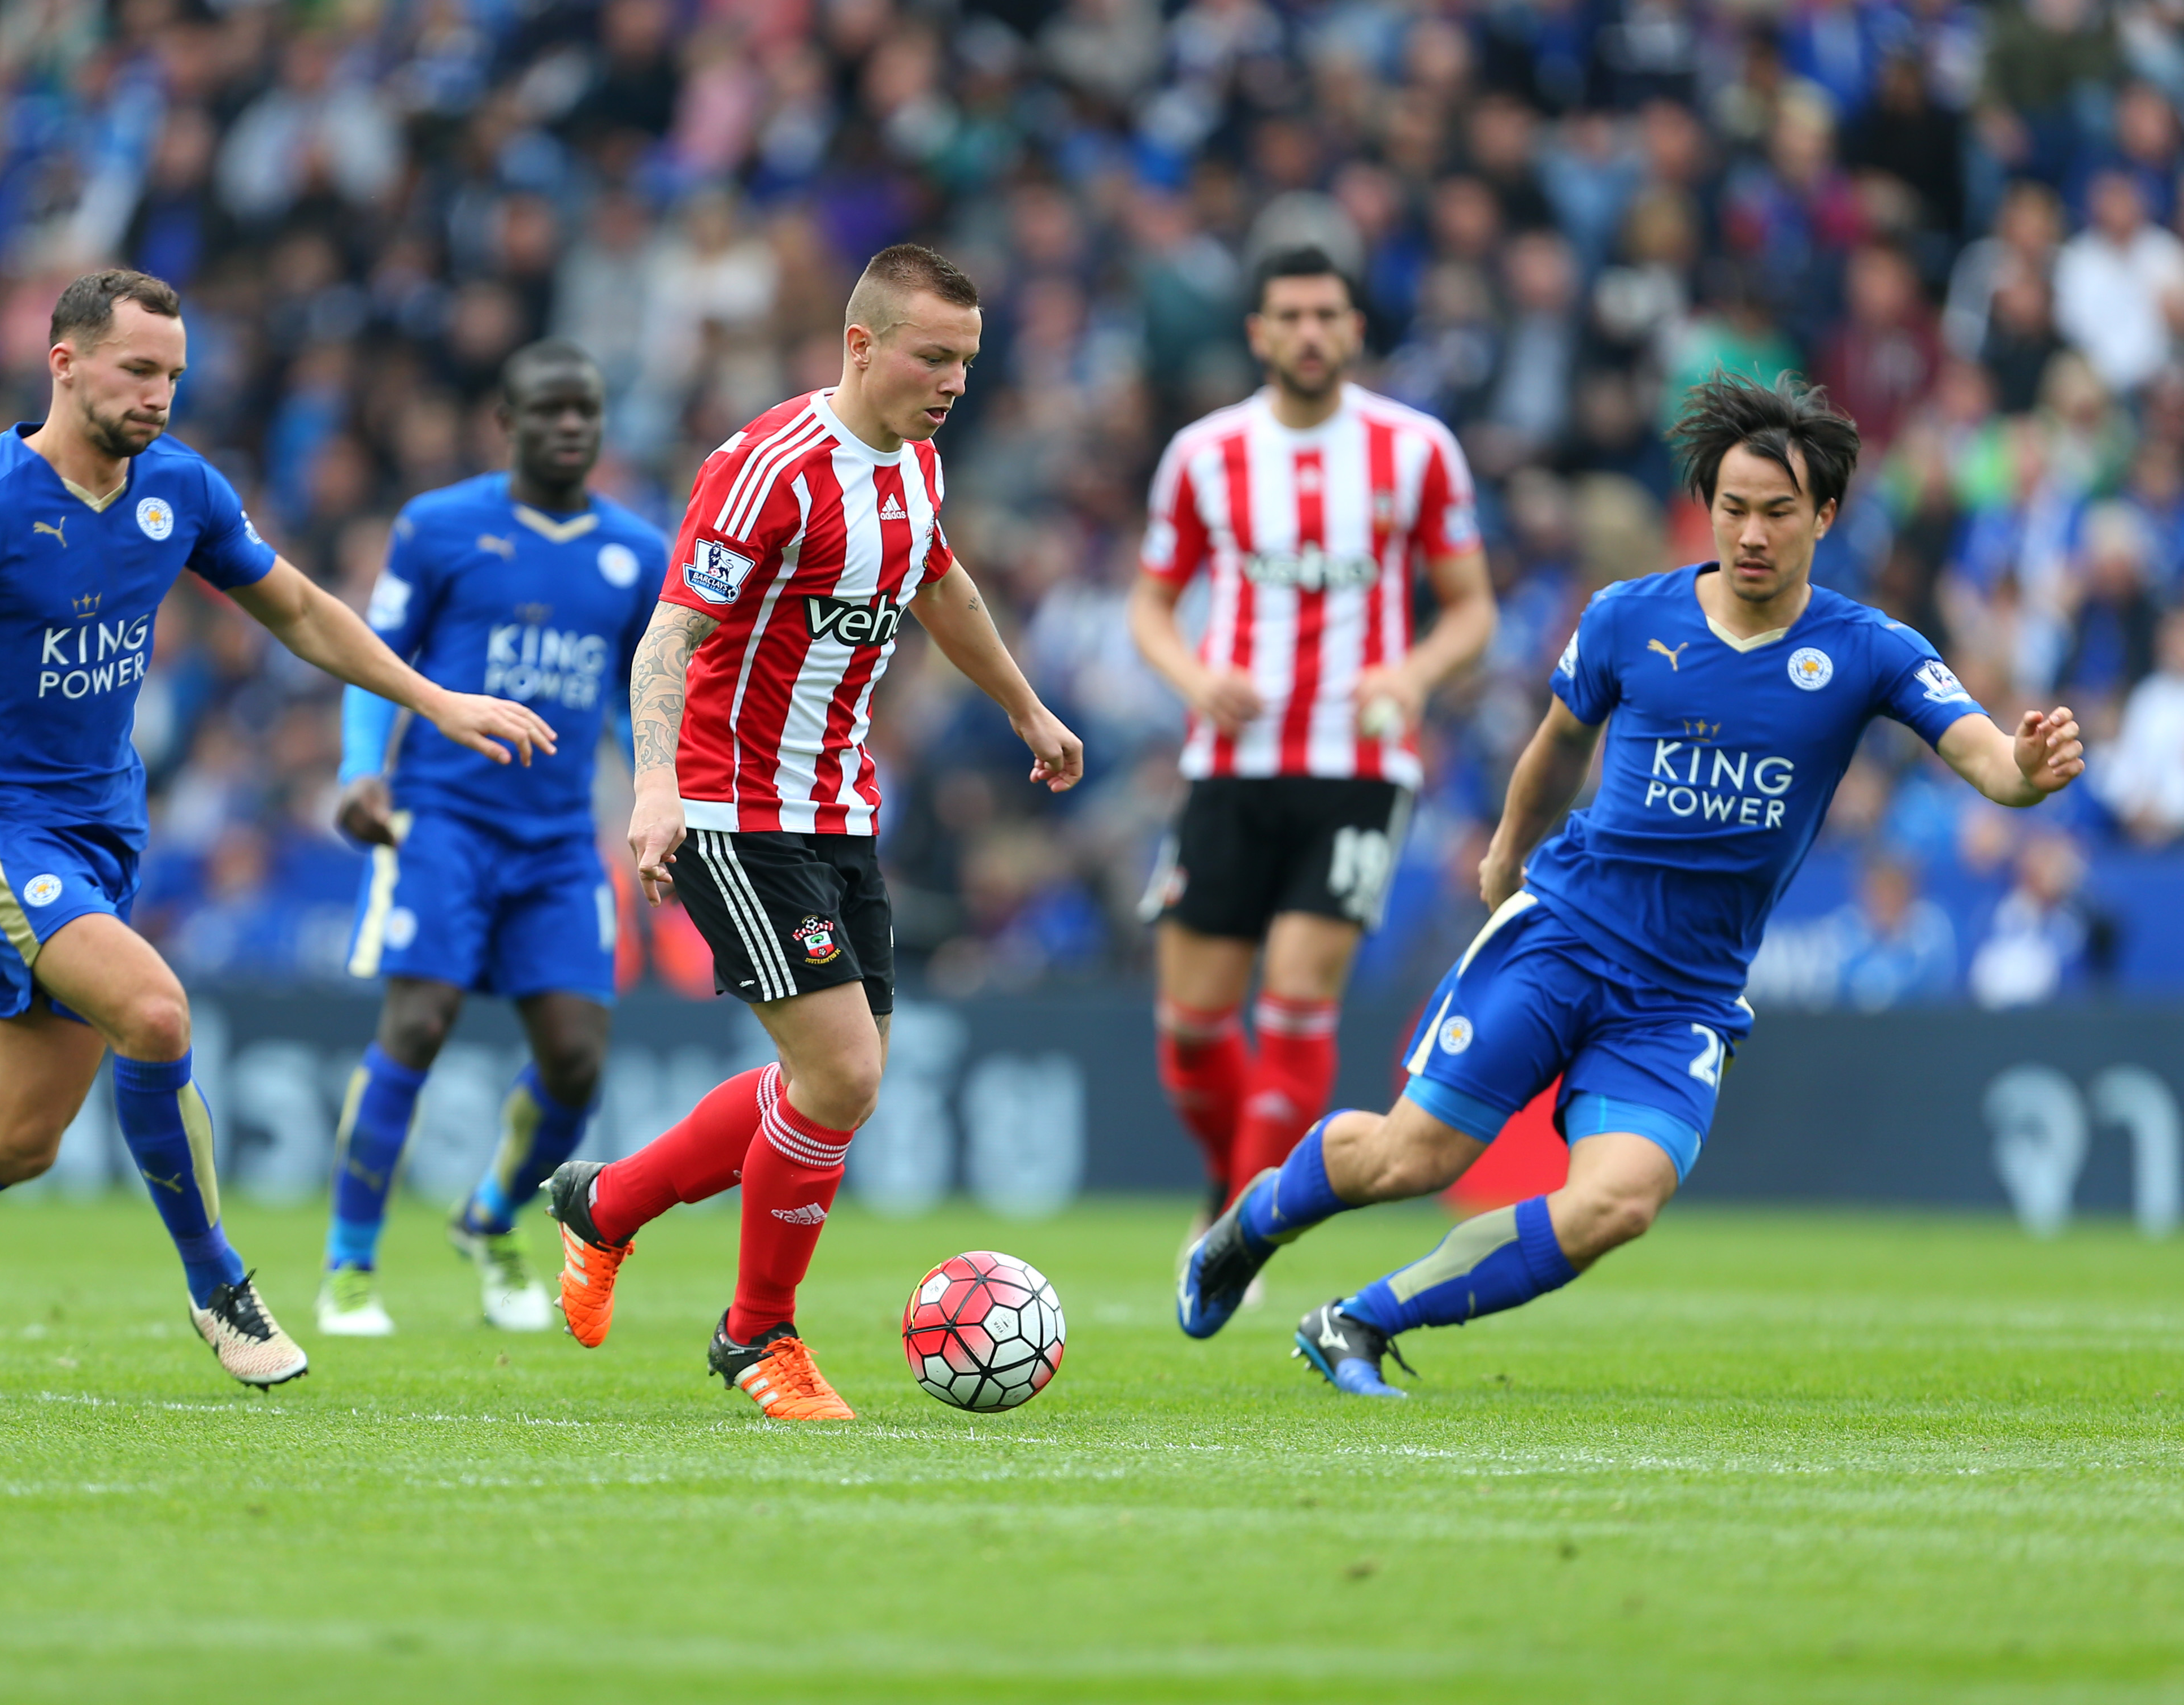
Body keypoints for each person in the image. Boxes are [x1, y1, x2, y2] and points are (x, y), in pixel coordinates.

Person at [0, 268, 553, 1391]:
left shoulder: (181, 490)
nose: (160, 395)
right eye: (139, 370)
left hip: (103, 838)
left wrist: (433, 701)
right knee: (154, 1012)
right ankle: (220, 1286)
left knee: (11, 1141)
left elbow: (297, 609)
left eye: (174, 376)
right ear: (66, 364)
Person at [1178, 371, 2086, 1395]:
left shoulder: (1868, 648)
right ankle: (1252, 1221)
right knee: (1410, 1159)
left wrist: (2027, 768)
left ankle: (1359, 1321)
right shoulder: (1626, 618)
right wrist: (1506, 851)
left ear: (1825, 516)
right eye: (1731, 508)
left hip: (1683, 994)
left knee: (1616, 1202)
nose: (1750, 533)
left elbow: (1987, 761)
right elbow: (1558, 744)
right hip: (1564, 936)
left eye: (1777, 512)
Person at [541, 243, 1084, 1419]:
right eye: (933, 358)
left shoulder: (917, 464)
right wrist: (652, 788)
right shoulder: (768, 468)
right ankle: (757, 1336)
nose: (954, 383)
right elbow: (669, 636)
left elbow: (940, 584)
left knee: (836, 1081)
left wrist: (1024, 706)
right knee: (839, 1075)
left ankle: (608, 1205)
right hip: (730, 804)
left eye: (967, 361)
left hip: (839, 808)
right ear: (861, 344)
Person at [1127, 246, 1494, 1235]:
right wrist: (1195, 678)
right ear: (1257, 333)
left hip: (1358, 767)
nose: (1308, 332)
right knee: (1191, 1030)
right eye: (1288, 315)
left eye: (1326, 314)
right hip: (1228, 763)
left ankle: (1240, 1232)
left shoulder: (1413, 450)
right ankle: (1231, 1184)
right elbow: (1150, 607)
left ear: (1354, 329)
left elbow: (1471, 610)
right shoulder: (1203, 453)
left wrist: (1410, 674)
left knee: (1296, 995)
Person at [316, 340, 668, 1336]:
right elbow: (376, 655)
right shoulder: (438, 527)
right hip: (442, 821)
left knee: (576, 1062)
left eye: (585, 410)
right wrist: (362, 768)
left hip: (557, 842)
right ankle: (348, 1267)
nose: (571, 426)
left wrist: (657, 789)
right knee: (418, 1024)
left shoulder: (637, 554)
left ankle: (490, 1216)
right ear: (506, 424)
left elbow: (635, 696)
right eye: (550, 410)